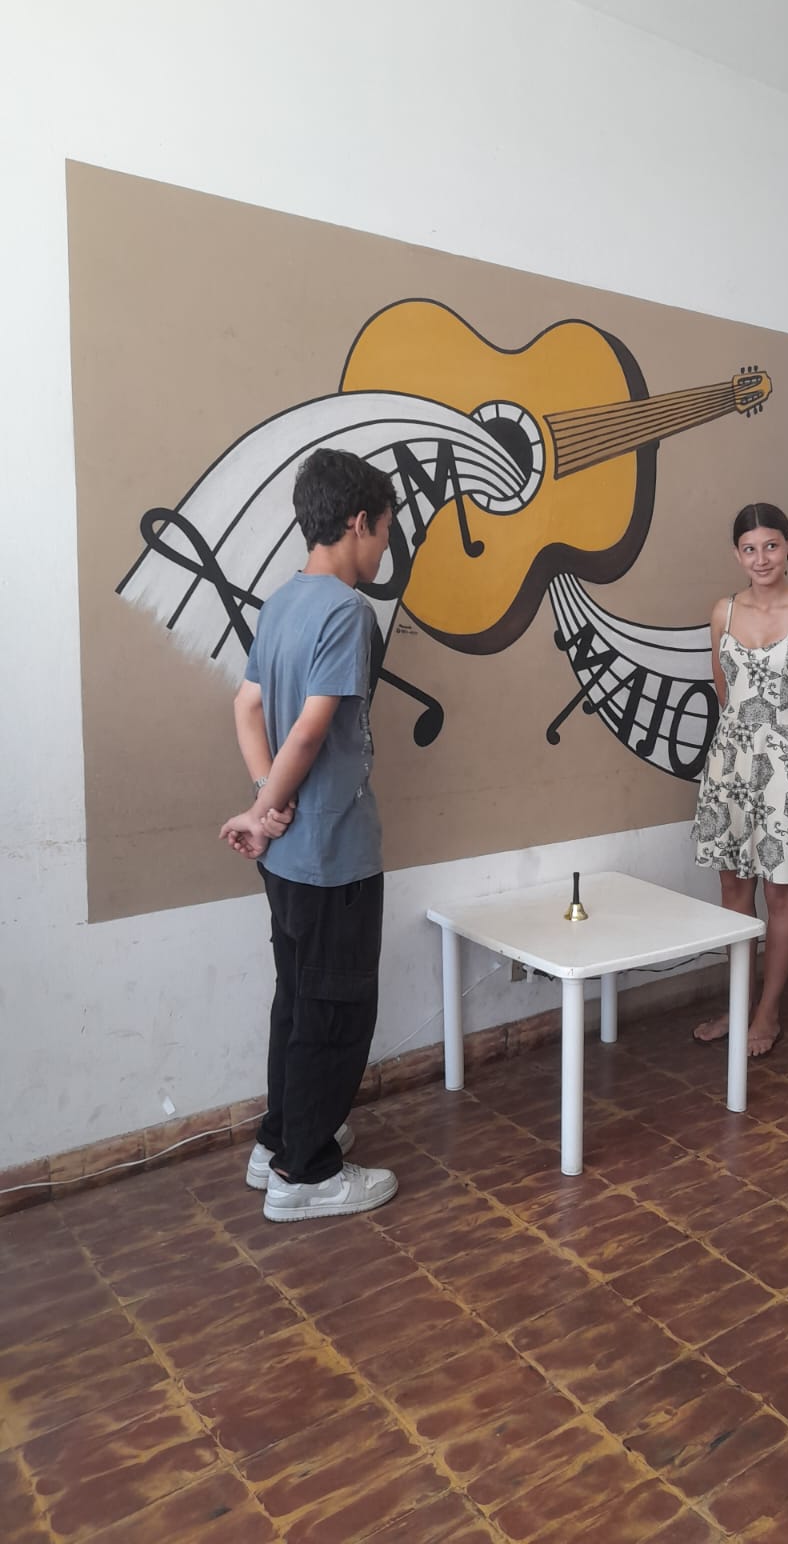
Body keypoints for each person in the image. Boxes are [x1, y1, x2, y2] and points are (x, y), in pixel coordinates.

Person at [219, 447, 400, 1218]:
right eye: (385, 530)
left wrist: (265, 805)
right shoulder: (348, 612)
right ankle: (307, 1175)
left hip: (289, 854)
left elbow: (247, 707)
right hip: (332, 854)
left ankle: (281, 1141)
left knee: (297, 998)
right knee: (335, 1010)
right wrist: (266, 806)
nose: (386, 547)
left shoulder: (283, 602)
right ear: (358, 523)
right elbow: (309, 730)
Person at [691, 502, 788, 1057]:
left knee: (781, 891)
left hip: (786, 772)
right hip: (728, 767)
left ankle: (768, 1011)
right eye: (750, 549)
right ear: (738, 554)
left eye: (772, 546)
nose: (761, 558)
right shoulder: (723, 611)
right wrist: (743, 749)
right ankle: (739, 1004)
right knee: (733, 890)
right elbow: (724, 692)